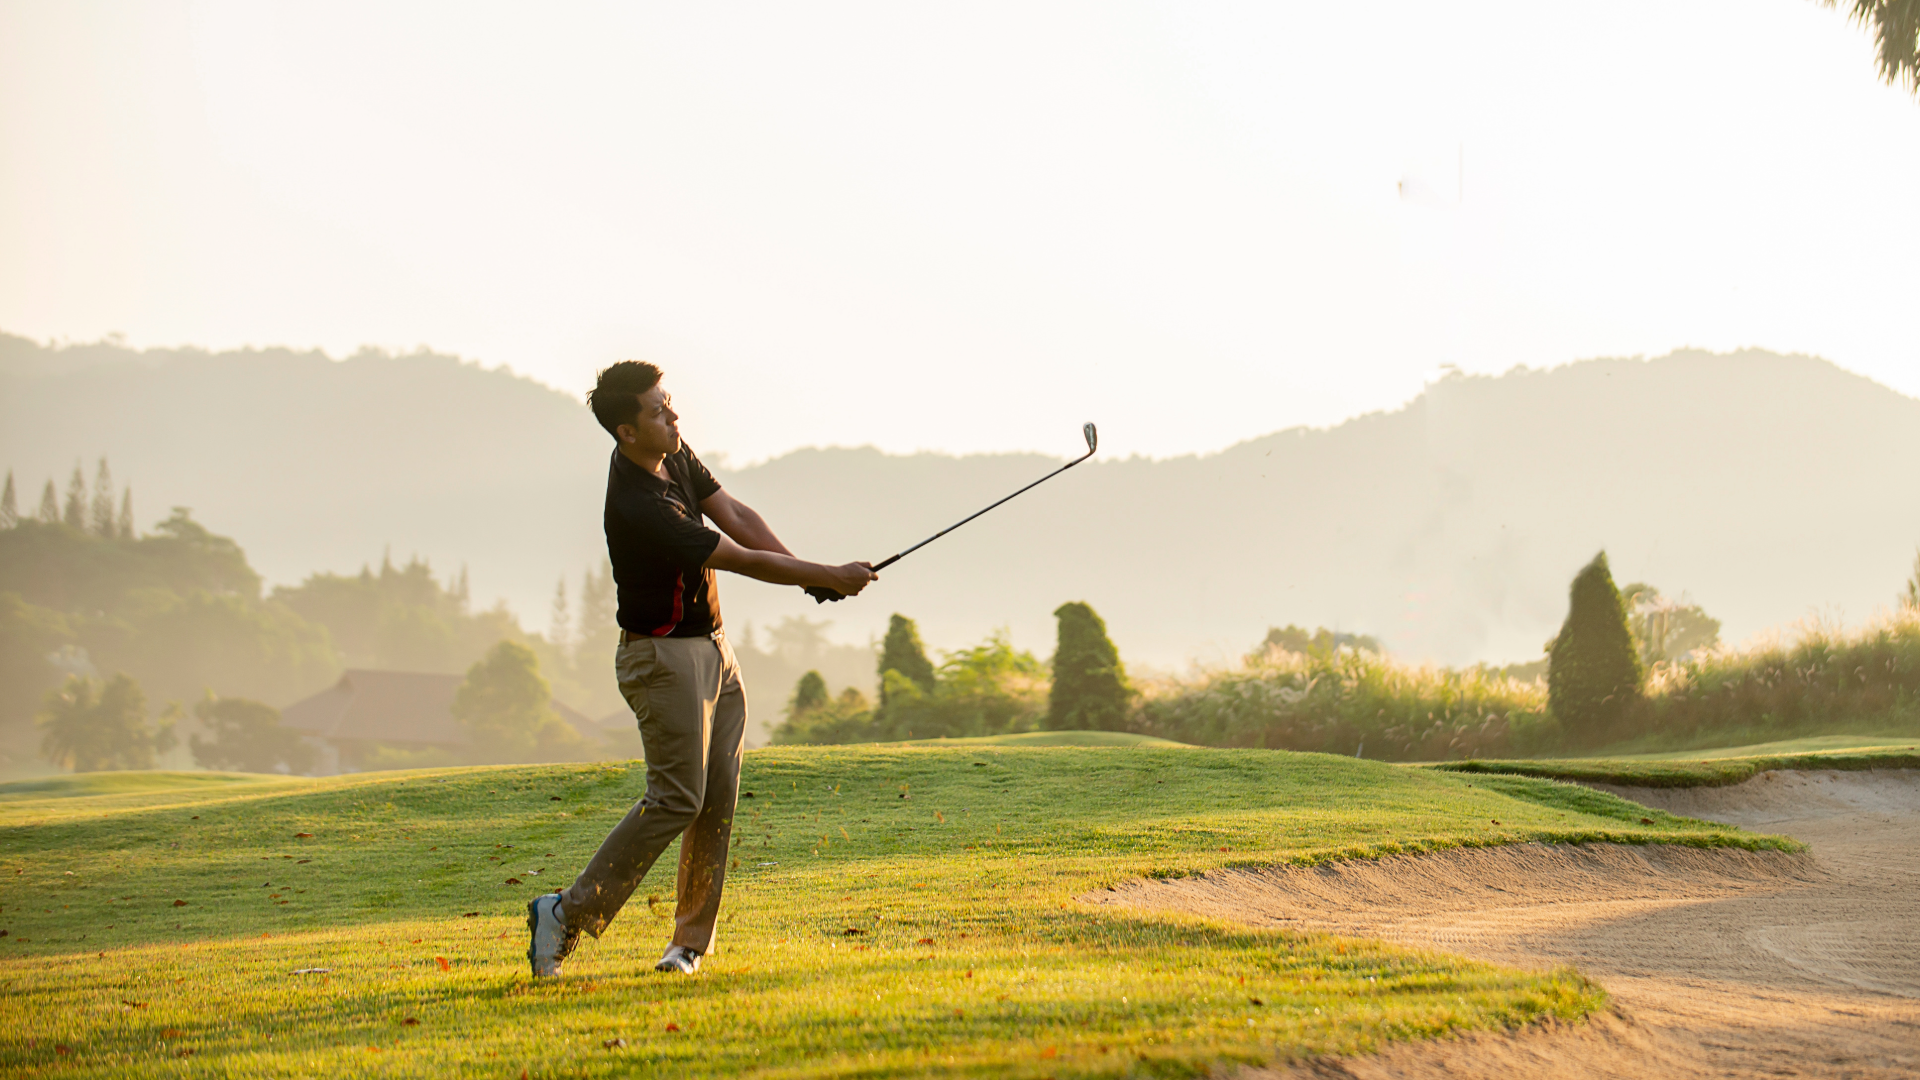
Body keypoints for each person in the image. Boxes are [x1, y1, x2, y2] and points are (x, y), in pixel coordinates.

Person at [527, 360, 876, 977]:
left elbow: (735, 514)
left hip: (713, 648)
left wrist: (808, 576)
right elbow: (737, 557)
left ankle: (688, 943)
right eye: (658, 411)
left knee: (715, 800)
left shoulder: (672, 453)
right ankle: (565, 913)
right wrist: (825, 574)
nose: (673, 416)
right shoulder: (642, 505)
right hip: (662, 659)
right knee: (677, 799)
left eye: (669, 403)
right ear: (627, 431)